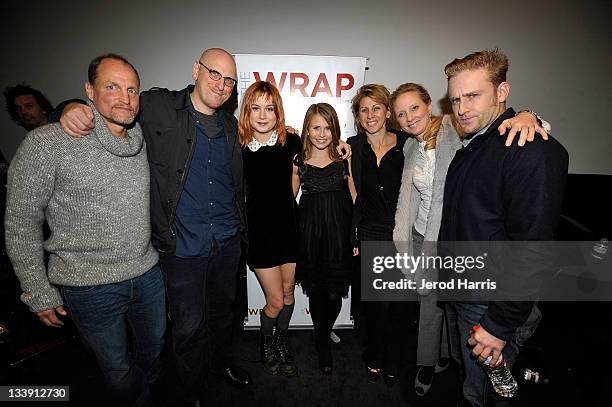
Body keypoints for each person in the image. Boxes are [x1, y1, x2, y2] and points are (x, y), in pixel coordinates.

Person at [58, 48, 251, 406]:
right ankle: (191, 390)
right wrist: (71, 109)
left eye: (229, 80)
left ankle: (221, 364)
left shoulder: (228, 123)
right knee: (188, 328)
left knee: (223, 315)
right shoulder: (157, 106)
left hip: (226, 241)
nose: (221, 85)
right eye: (214, 74)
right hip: (182, 247)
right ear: (196, 69)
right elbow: (115, 105)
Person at [5, 54, 164, 407]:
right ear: (89, 90)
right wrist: (36, 290)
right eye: (112, 87)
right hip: (88, 287)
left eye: (132, 89)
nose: (125, 97)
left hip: (146, 273)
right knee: (118, 371)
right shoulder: (48, 143)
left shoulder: (139, 138)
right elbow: (20, 222)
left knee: (154, 350)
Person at [391, 83, 550, 396]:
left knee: (452, 306)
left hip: (450, 237)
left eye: (414, 108)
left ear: (428, 105)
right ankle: (430, 362)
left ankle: (452, 362)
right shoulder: (410, 147)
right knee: (430, 305)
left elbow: (498, 126)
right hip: (422, 235)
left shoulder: (453, 127)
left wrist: (529, 116)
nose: (409, 117)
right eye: (401, 114)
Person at [439, 48, 568, 406]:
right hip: (463, 293)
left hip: (490, 305)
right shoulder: (476, 144)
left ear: (502, 92)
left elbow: (534, 249)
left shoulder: (528, 148)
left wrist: (500, 323)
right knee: (471, 386)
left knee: (482, 396)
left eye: (473, 96)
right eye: (455, 99)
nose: (462, 108)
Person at [239, 81, 301, 377]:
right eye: (255, 108)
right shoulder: (238, 149)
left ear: (278, 112)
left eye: (269, 108)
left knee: (289, 293)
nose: (263, 115)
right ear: (247, 111)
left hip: (289, 229)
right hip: (260, 234)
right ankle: (265, 342)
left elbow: (317, 153)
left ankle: (281, 340)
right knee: (275, 300)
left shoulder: (290, 141)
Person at [294, 103, 357, 375]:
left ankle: (325, 328)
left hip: (339, 232)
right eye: (316, 127)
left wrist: (355, 235)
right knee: (317, 290)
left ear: (335, 129)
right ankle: (322, 341)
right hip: (310, 233)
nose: (322, 134)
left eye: (328, 128)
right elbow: (288, 200)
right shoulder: (297, 161)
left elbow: (354, 196)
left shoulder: (344, 156)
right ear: (307, 129)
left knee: (335, 292)